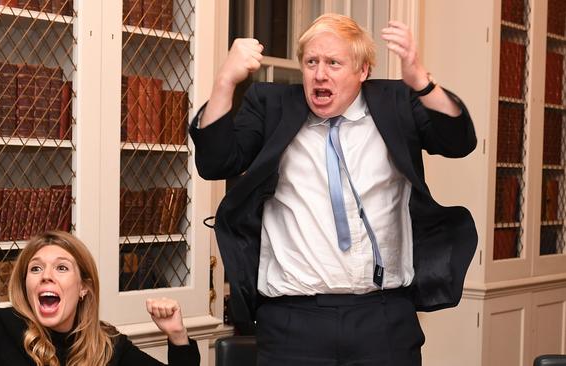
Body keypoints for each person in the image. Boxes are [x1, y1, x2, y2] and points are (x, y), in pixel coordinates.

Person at [190, 13, 477, 366]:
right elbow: (216, 163)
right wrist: (225, 81)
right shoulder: (271, 106)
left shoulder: (396, 104)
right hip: (292, 322)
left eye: (333, 63)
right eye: (311, 62)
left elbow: (458, 141)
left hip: (383, 318)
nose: (319, 74)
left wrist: (421, 80)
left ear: (363, 71)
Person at [0, 230, 200, 366]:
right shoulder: (0, 327)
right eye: (36, 268)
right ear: (26, 283)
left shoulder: (109, 347)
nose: (46, 276)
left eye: (61, 267)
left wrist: (177, 336)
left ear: (84, 287)